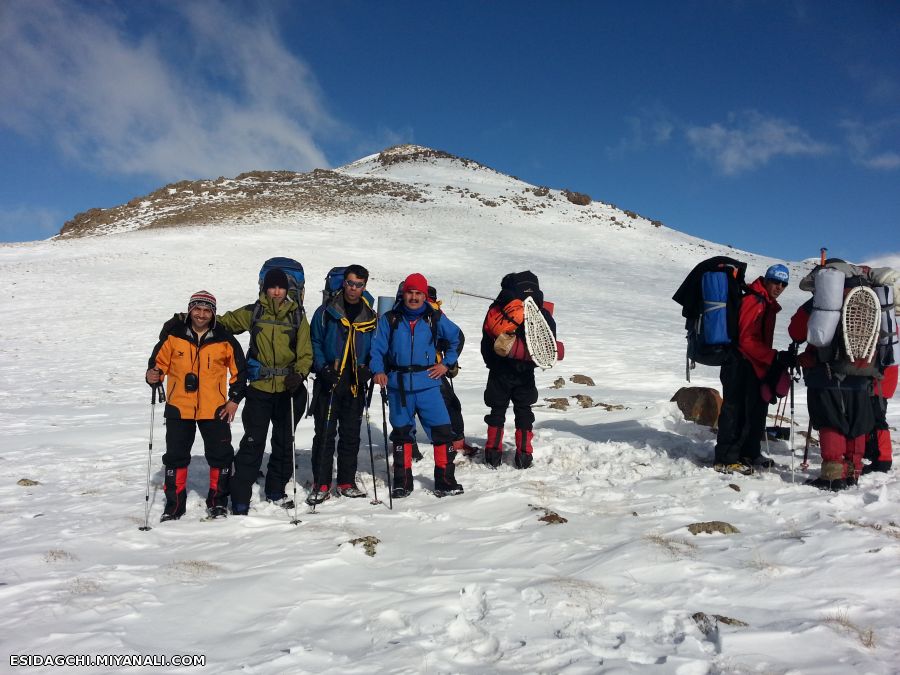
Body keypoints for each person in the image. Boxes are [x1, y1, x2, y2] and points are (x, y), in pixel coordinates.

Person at [217, 267, 313, 513]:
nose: (277, 291)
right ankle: (239, 497)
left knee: (283, 442)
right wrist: (196, 319)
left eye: (281, 287)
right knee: (252, 442)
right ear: (265, 288)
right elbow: (224, 322)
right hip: (259, 388)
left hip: (289, 390)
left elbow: (305, 352)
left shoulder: (297, 315)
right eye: (272, 286)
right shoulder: (254, 312)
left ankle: (275, 490)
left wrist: (299, 374)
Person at [146, 291, 246, 521]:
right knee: (175, 457)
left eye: (207, 310)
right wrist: (153, 375)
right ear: (190, 309)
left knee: (221, 457)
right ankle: (174, 506)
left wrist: (233, 400)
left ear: (213, 313)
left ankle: (218, 503)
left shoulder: (225, 338)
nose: (201, 315)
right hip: (179, 407)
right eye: (197, 309)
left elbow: (240, 375)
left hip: (215, 408)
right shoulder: (173, 336)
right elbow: (157, 365)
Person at [789, 259, 881, 490]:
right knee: (856, 423)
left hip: (827, 373)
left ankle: (833, 474)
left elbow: (796, 331)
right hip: (863, 372)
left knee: (831, 421)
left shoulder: (822, 302)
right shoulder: (870, 298)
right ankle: (854, 470)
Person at [370, 273, 464, 498]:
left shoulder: (435, 318)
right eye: (410, 292)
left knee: (442, 432)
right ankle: (402, 481)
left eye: (418, 293)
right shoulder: (390, 319)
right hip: (398, 386)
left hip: (429, 384)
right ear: (404, 294)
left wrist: (446, 364)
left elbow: (456, 339)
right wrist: (378, 371)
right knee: (402, 434)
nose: (413, 297)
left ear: (424, 296)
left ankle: (445, 480)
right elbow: (377, 349)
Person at [307, 264, 377, 505]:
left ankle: (346, 481)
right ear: (343, 283)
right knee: (325, 434)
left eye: (359, 284)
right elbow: (314, 340)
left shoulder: (370, 314)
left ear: (364, 286)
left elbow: (377, 345)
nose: (353, 288)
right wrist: (322, 367)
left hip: (356, 382)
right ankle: (322, 483)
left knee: (350, 435)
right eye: (350, 283)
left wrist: (369, 367)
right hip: (329, 380)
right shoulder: (326, 311)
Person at [713, 263, 792, 474]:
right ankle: (726, 458)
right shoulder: (753, 300)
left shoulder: (766, 302)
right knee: (735, 410)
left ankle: (749, 451)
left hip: (755, 364)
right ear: (766, 279)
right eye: (776, 281)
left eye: (784, 284)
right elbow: (745, 340)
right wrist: (772, 356)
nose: (779, 287)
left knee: (755, 410)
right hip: (739, 363)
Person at [480, 271, 556, 469]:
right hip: (525, 372)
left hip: (499, 371)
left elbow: (486, 341)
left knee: (497, 410)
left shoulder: (499, 309)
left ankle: (493, 454)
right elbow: (549, 341)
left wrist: (492, 363)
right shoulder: (541, 312)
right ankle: (524, 455)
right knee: (524, 412)